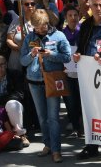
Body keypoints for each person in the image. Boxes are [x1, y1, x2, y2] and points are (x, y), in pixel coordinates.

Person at [20, 9, 71, 163]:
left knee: (53, 118)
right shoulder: (29, 37)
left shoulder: (59, 36)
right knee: (42, 118)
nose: (39, 29)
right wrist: (32, 54)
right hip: (34, 83)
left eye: (42, 26)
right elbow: (22, 61)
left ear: (47, 23)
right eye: (36, 27)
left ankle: (56, 150)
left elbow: (67, 57)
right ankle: (47, 144)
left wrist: (51, 55)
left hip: (52, 82)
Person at [73, 0, 101, 160]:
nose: (98, 9)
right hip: (89, 76)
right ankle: (91, 146)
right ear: (90, 7)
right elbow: (81, 48)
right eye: (95, 5)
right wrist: (78, 56)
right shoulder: (85, 25)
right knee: (91, 111)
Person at [60, 5, 82, 138]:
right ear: (66, 18)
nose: (73, 18)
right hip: (67, 72)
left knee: (81, 101)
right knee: (70, 101)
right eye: (70, 15)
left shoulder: (84, 31)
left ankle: (83, 126)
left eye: (75, 15)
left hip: (82, 73)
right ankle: (75, 127)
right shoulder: (61, 34)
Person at [0, 55, 29, 147]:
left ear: (6, 64)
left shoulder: (15, 75)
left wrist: (2, 103)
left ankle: (21, 134)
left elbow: (19, 94)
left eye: (1, 64)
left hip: (10, 106)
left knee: (12, 104)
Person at [6, 0, 36, 73]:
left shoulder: (39, 21)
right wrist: (18, 47)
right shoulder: (17, 21)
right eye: (27, 4)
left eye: (32, 4)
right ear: (22, 6)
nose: (30, 6)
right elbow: (9, 40)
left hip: (33, 64)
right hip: (16, 62)